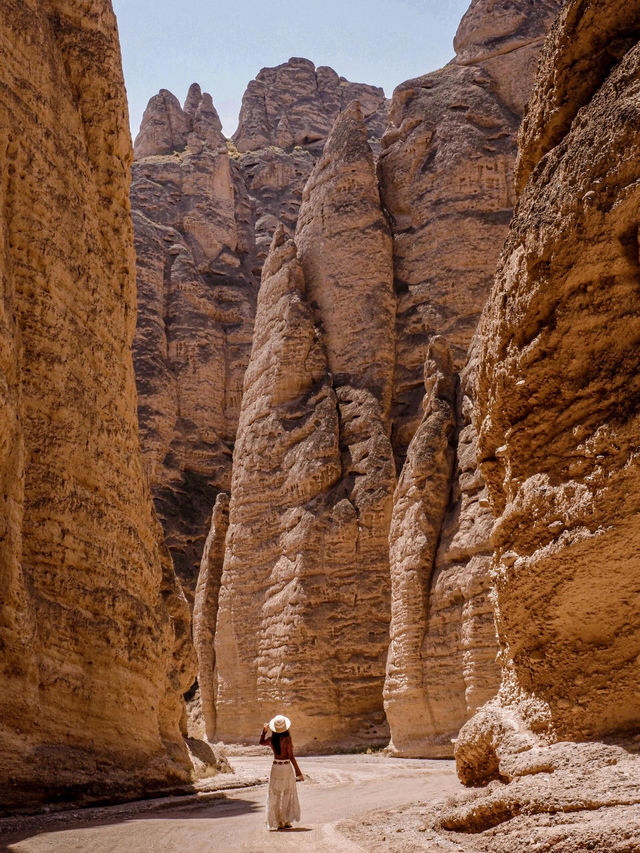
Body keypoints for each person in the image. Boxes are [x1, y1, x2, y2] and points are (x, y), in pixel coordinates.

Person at [260, 714, 304, 830]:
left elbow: (261, 742)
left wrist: (264, 731)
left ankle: (278, 821)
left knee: (275, 794)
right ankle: (285, 820)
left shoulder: (272, 739)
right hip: (286, 768)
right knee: (286, 794)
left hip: (275, 768)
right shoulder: (287, 739)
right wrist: (298, 772)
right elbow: (291, 756)